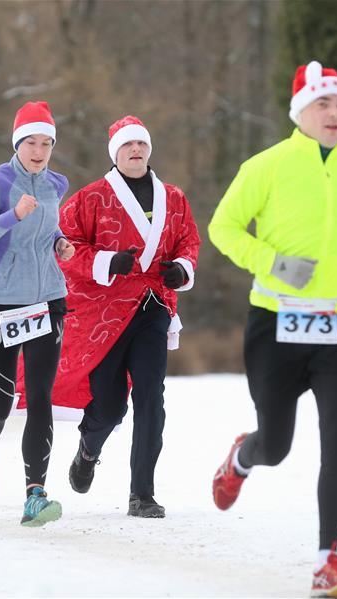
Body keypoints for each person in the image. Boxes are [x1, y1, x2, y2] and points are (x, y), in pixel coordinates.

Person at [208, 61, 337, 597]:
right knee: (278, 445)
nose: (335, 113)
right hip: (275, 323)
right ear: (301, 111)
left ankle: (326, 561)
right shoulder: (267, 166)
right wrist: (272, 263)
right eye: (324, 103)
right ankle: (242, 458)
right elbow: (222, 226)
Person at [53, 115, 201, 518]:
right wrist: (105, 261)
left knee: (151, 396)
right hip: (105, 314)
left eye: (141, 145)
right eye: (127, 146)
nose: (136, 151)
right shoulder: (90, 198)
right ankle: (88, 448)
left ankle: (142, 494)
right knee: (111, 406)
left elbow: (189, 239)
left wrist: (182, 270)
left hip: (153, 305)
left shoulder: (174, 197)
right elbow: (63, 247)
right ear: (115, 153)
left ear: (149, 150)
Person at [0, 101, 74, 527]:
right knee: (2, 402)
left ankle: (35, 495)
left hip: (47, 300)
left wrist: (60, 243)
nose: (39, 150)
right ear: (17, 143)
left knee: (41, 397)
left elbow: (48, 230)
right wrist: (11, 215)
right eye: (31, 142)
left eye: (46, 142)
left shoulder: (56, 184)